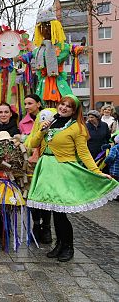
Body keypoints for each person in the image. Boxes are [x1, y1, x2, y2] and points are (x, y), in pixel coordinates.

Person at [26, 95, 119, 262]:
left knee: (61, 213)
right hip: (46, 169)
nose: (64, 108)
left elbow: (83, 153)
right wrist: (42, 130)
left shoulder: (77, 128)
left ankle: (68, 246)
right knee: (54, 211)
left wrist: (97, 172)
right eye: (62, 104)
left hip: (63, 170)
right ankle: (60, 244)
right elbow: (32, 144)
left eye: (68, 106)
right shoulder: (51, 122)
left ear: (74, 111)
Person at [18, 94, 52, 244]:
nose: (27, 106)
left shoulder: (48, 116)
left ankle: (47, 228)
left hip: (45, 162)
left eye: (30, 103)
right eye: (25, 103)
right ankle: (36, 226)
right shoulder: (23, 122)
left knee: (45, 195)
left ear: (39, 104)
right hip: (29, 164)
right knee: (31, 195)